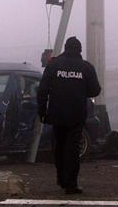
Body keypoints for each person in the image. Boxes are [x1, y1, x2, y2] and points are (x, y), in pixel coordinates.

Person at [37, 36, 101, 194]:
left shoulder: (53, 65)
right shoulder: (86, 67)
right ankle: (71, 184)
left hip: (56, 114)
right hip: (76, 114)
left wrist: (42, 111)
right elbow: (95, 90)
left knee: (58, 147)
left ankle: (61, 178)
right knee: (72, 148)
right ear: (79, 50)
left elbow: (42, 89)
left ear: (65, 48)